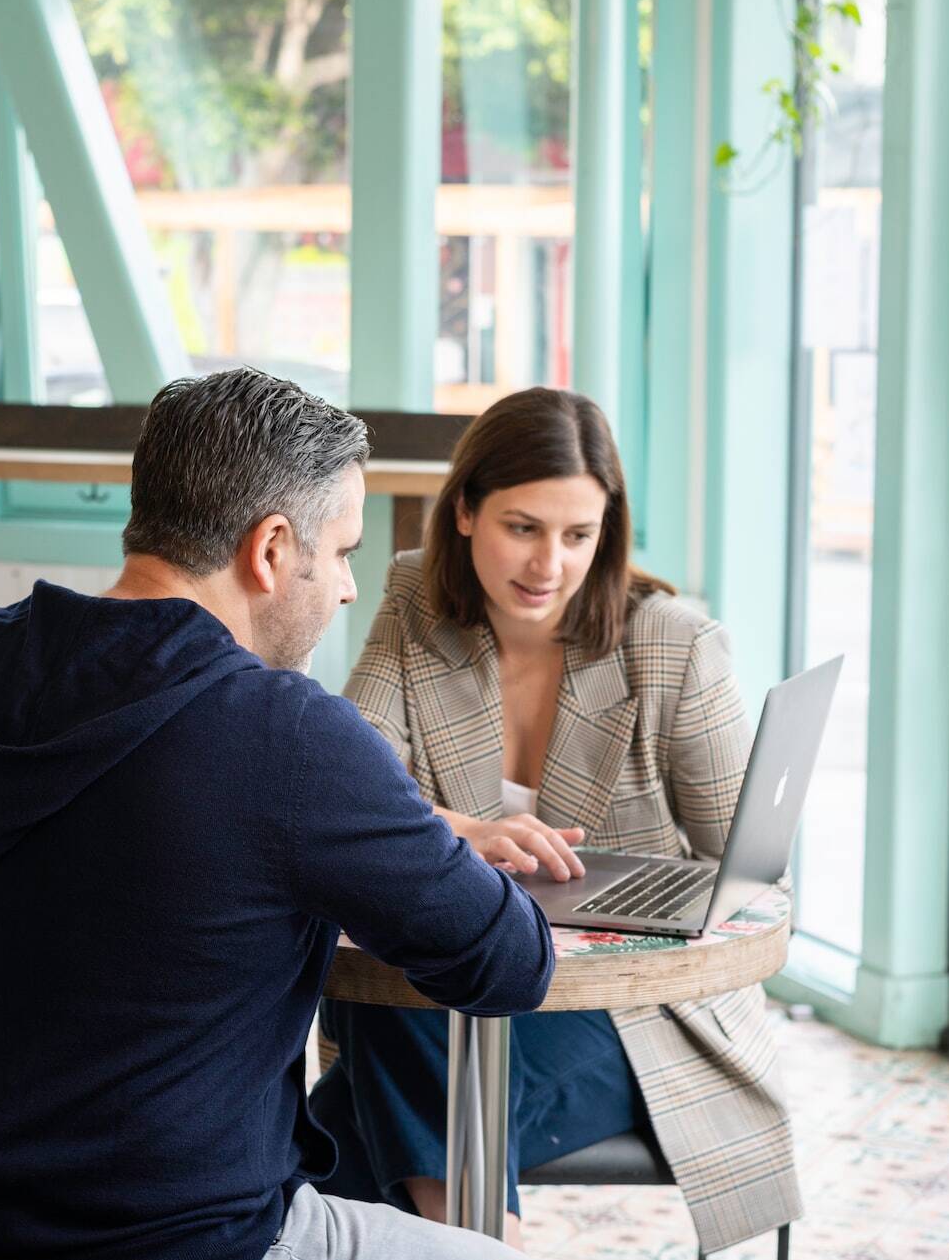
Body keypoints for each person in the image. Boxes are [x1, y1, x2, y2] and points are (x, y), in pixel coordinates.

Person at [0, 367, 554, 1260]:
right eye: (341, 552)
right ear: (269, 550)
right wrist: (418, 828)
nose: (344, 588)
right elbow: (508, 961)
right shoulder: (287, 735)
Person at [309, 387, 801, 1255]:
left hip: (631, 1015)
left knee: (325, 1129)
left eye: (580, 535)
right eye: (524, 527)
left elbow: (752, 875)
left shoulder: (674, 645)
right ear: (465, 511)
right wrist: (456, 828)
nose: (550, 564)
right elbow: (352, 787)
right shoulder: (417, 597)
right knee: (404, 1019)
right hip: (459, 989)